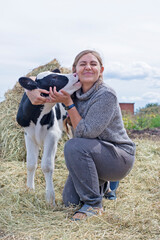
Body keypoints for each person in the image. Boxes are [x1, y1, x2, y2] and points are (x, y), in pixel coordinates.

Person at [26, 50, 136, 221]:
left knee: (73, 145)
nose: (88, 67)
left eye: (93, 64)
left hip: (118, 157)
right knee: (70, 201)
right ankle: (101, 183)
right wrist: (30, 91)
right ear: (74, 70)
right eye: (83, 64)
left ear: (101, 70)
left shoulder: (105, 94)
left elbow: (86, 133)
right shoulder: (73, 89)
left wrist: (69, 104)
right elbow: (36, 78)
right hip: (93, 155)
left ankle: (94, 205)